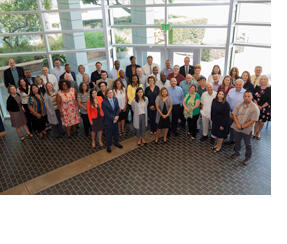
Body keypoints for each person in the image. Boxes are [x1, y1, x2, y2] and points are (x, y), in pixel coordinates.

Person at [230, 91, 260, 165]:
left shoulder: (255, 108)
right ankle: (237, 152)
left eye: (248, 96)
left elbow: (253, 121)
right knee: (237, 141)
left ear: (252, 97)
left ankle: (247, 157)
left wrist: (242, 126)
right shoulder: (239, 104)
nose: (247, 98)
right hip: (237, 126)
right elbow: (234, 115)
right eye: (245, 96)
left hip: (247, 129)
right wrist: (238, 124)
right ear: (243, 97)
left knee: (247, 144)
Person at [226, 79, 246, 144]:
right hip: (231, 112)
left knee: (237, 128)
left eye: (240, 85)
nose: (238, 86)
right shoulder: (231, 90)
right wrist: (229, 112)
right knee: (231, 126)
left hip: (240, 114)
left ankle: (237, 142)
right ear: (235, 84)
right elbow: (227, 101)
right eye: (237, 84)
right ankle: (231, 140)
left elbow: (247, 104)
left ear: (243, 85)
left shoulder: (245, 93)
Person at [253, 75, 271, 140]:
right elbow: (253, 97)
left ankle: (259, 132)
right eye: (262, 79)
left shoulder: (270, 88)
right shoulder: (257, 87)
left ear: (267, 80)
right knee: (256, 121)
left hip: (265, 107)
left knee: (262, 121)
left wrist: (262, 106)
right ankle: (254, 132)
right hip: (256, 106)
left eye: (265, 79)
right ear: (260, 80)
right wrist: (257, 105)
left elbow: (270, 99)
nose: (263, 80)